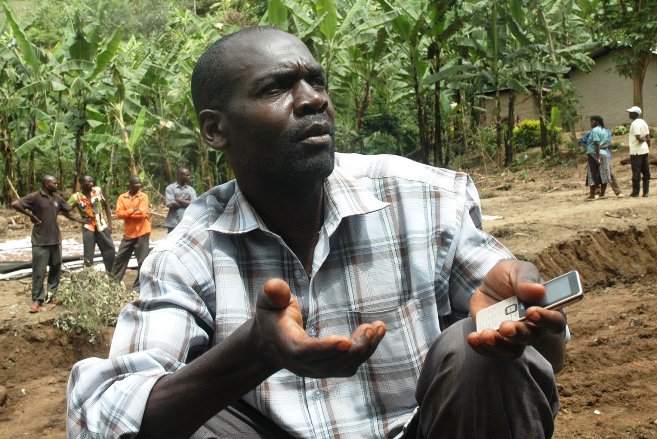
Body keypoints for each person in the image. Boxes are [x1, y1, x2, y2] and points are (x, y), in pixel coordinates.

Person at [67, 27, 567, 439]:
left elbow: (545, 359)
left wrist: (530, 317)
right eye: (276, 88)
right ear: (215, 131)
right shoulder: (190, 249)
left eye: (317, 82)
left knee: (477, 348)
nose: (313, 101)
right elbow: (101, 413)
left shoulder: (422, 198)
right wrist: (253, 351)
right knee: (180, 417)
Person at [11, 175, 85, 313]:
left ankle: (52, 295)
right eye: (54, 183)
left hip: (55, 240)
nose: (56, 184)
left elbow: (67, 209)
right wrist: (31, 216)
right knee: (39, 271)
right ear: (46, 184)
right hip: (40, 240)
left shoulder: (56, 198)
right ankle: (37, 300)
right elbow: (15, 204)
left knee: (56, 268)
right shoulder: (35, 197)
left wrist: (79, 215)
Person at [110, 175, 151, 290]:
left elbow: (142, 214)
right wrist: (133, 210)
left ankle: (138, 286)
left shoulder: (143, 196)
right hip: (129, 233)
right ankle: (113, 284)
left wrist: (127, 214)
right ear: (130, 185)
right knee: (120, 258)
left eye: (140, 183)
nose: (139, 185)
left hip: (142, 231)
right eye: (136, 183)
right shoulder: (122, 198)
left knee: (142, 260)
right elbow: (119, 214)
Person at [68, 174, 116, 272]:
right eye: (88, 182)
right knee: (89, 254)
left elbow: (106, 206)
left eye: (92, 181)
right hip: (88, 228)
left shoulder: (98, 191)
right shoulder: (76, 197)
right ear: (81, 183)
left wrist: (110, 224)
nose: (91, 183)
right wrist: (79, 220)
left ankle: (111, 275)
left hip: (102, 226)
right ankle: (89, 277)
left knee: (109, 250)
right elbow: (65, 210)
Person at [579, 128, 623, 197]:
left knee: (608, 173)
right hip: (594, 155)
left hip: (604, 155)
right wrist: (589, 148)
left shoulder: (607, 132)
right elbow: (581, 141)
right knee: (593, 174)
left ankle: (616, 192)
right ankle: (595, 193)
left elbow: (608, 143)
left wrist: (600, 147)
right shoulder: (591, 133)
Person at [583, 115, 612, 200]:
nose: (591, 124)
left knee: (592, 173)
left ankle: (592, 194)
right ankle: (602, 194)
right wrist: (602, 148)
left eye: (591, 122)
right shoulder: (604, 130)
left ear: (596, 122)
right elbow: (608, 143)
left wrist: (598, 155)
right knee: (604, 173)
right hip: (604, 154)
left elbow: (596, 143)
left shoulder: (594, 130)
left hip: (594, 154)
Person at [163, 166, 197, 233]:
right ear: (180, 175)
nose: (189, 177)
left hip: (187, 223)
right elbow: (171, 204)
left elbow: (194, 204)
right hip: (173, 223)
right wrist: (187, 202)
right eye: (187, 175)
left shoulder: (191, 189)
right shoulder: (170, 188)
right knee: (172, 242)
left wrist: (179, 200)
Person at [626, 106, 651, 197]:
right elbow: (648, 137)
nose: (629, 114)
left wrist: (643, 139)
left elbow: (639, 138)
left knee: (636, 171)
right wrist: (647, 147)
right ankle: (646, 192)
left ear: (635, 114)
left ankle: (635, 192)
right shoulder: (643, 122)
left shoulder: (634, 123)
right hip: (644, 150)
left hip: (636, 151)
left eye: (631, 113)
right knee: (646, 171)